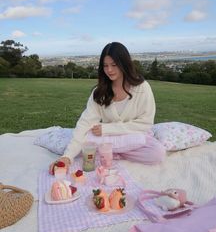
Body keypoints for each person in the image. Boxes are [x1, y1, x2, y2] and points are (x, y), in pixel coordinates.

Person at [49, 42, 166, 174]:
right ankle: (113, 152)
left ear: (124, 64)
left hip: (130, 137)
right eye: (105, 66)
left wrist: (107, 129)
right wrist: (67, 157)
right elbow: (85, 123)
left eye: (114, 65)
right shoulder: (100, 92)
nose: (109, 70)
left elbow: (145, 124)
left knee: (157, 153)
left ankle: (112, 153)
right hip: (109, 140)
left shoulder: (142, 88)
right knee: (82, 139)